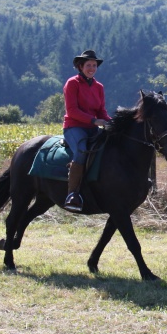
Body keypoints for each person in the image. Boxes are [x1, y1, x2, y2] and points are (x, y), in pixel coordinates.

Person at [62, 50, 112, 212]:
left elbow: (101, 111)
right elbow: (72, 111)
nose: (92, 68)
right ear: (80, 66)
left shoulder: (99, 87)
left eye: (94, 65)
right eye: (88, 65)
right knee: (82, 150)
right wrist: (93, 120)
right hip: (74, 127)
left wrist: (111, 122)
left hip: (92, 128)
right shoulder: (72, 83)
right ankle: (72, 194)